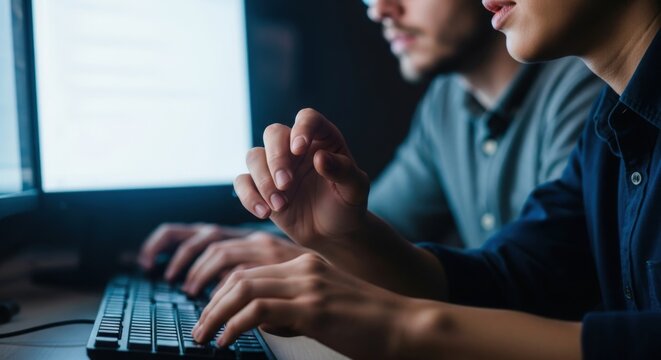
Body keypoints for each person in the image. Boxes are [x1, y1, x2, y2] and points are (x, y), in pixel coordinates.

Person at [191, 0, 661, 357]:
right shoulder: (608, 127)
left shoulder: (581, 100)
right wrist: (344, 237)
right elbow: (509, 280)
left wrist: (401, 325)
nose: (379, 10)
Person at [138, 0, 602, 295]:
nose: (379, 9)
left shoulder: (589, 87)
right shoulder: (446, 105)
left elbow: (548, 288)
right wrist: (272, 239)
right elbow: (379, 223)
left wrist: (317, 259)